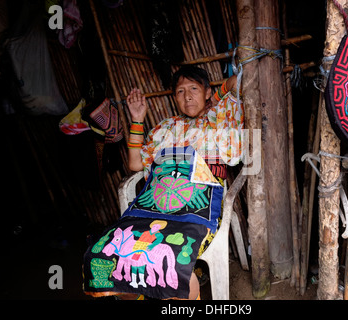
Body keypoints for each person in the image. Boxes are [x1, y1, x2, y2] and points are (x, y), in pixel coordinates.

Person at [83, 66, 242, 300]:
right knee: (106, 253)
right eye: (180, 91)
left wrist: (221, 92)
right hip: (154, 207)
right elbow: (136, 164)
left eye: (194, 89)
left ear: (208, 92)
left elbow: (241, 82)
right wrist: (137, 119)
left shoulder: (218, 119)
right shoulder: (166, 128)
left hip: (199, 209)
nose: (187, 96)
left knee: (177, 263)